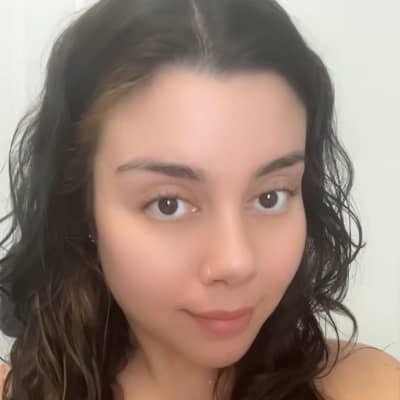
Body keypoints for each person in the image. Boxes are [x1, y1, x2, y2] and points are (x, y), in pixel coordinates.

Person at [0, 0, 399, 399]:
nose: (236, 262)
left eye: (270, 197)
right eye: (168, 204)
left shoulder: (371, 388)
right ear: (83, 207)